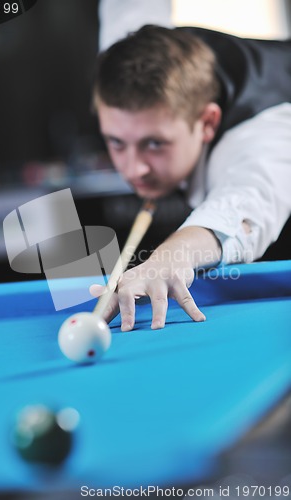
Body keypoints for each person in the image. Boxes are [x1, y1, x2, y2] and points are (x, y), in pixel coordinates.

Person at [91, 25, 291, 331]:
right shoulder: (122, 60)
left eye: (155, 143)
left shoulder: (262, 137)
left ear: (208, 122)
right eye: (117, 142)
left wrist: (169, 257)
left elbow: (244, 205)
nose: (133, 170)